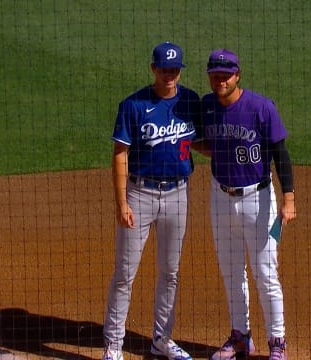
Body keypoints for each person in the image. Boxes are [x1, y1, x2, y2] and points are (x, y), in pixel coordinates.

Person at [194, 49, 297, 360]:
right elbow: (206, 144)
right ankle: (240, 336)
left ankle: (277, 342)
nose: (220, 79)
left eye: (226, 74)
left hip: (259, 199)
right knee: (231, 271)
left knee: (266, 272)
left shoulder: (261, 107)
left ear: (238, 75)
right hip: (219, 198)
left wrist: (289, 198)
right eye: (215, 74)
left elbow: (281, 153)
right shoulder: (207, 106)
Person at [102, 41, 200, 360]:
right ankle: (113, 347)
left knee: (170, 272)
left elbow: (201, 143)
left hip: (178, 194)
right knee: (125, 273)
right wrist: (122, 204)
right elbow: (120, 154)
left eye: (174, 69)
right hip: (140, 194)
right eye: (163, 68)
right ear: (153, 69)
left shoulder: (190, 102)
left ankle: (161, 339)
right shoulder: (133, 105)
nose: (169, 74)